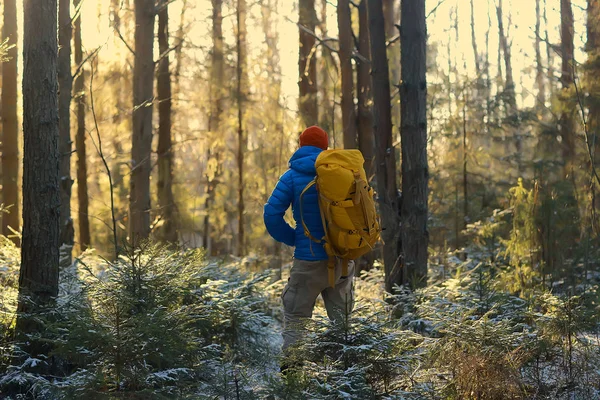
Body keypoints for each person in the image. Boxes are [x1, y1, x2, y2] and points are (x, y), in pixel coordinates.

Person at [263, 126, 355, 360]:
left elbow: (272, 214)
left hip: (308, 261)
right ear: (325, 146)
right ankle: (347, 378)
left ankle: (292, 379)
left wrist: (295, 239)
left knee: (296, 321)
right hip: (341, 259)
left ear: (301, 145)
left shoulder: (291, 177)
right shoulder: (343, 171)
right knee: (342, 325)